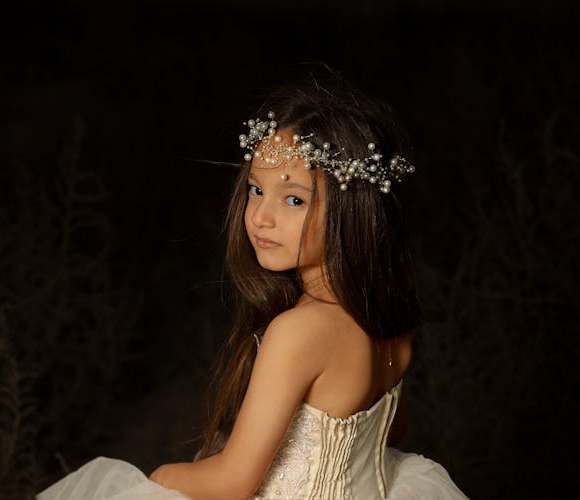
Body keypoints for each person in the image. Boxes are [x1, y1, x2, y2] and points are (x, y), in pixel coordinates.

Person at [37, 65, 468, 499]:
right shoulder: (387, 320)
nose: (261, 216)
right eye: (256, 189)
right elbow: (388, 437)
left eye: (294, 199)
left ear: (350, 210)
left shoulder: (300, 331)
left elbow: (231, 482)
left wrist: (156, 482)